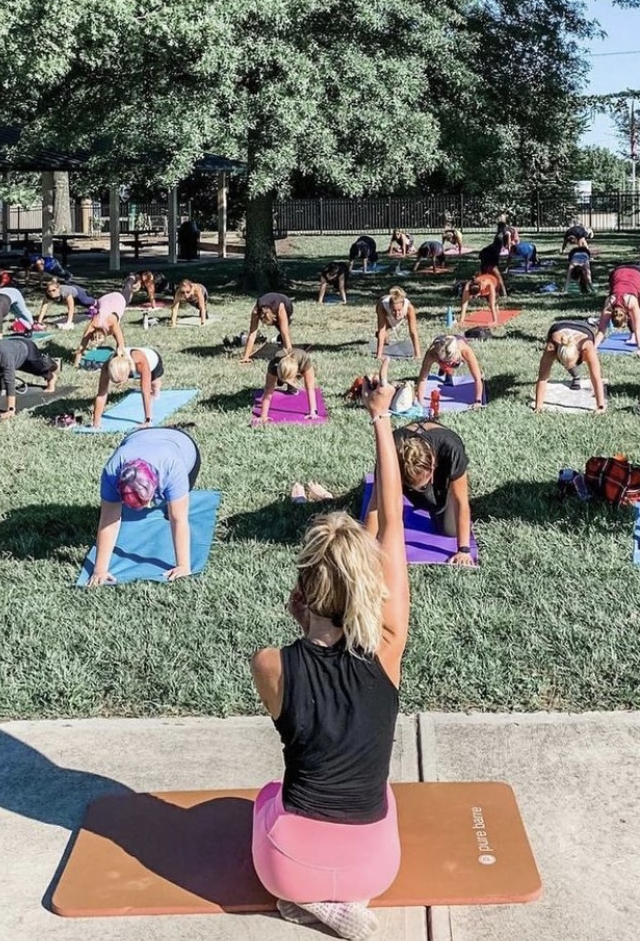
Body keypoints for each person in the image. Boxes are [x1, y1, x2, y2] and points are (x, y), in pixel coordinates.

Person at [250, 381, 408, 936]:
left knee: (267, 796)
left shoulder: (269, 664)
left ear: (300, 593)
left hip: (285, 865)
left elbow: (308, 699)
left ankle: (304, 897)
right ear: (367, 589)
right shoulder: (388, 644)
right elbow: (392, 519)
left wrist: (303, 626)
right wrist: (380, 419)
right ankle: (343, 897)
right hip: (376, 868)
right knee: (379, 792)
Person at [88, 427, 202, 585]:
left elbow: (178, 520)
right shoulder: (112, 471)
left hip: (183, 443)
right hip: (138, 436)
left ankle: (166, 500)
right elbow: (108, 521)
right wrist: (99, 570)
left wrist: (183, 566)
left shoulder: (173, 468)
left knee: (173, 512)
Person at [363, 415, 473, 568]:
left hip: (440, 485)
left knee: (450, 530)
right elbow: (376, 504)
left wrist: (464, 549)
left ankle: (436, 503)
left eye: (422, 485)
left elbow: (461, 502)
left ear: (433, 465)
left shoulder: (451, 449)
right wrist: (364, 549)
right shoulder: (392, 450)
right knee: (385, 528)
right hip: (403, 468)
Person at [533, 319, 605, 412]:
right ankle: (576, 376)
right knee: (564, 366)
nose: (566, 367)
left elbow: (596, 378)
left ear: (579, 354)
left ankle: (576, 375)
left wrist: (600, 406)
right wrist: (538, 406)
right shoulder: (552, 347)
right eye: (564, 363)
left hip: (584, 328)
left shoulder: (587, 348)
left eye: (571, 363)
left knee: (586, 369)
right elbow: (543, 377)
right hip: (559, 326)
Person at [595, 262, 640, 354]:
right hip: (618, 271)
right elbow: (638, 330)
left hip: (638, 272)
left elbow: (601, 331)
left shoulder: (630, 302)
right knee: (638, 299)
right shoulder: (609, 302)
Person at [91, 347, 164, 429]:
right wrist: (96, 421)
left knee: (153, 385)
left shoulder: (140, 362)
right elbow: (101, 395)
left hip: (153, 362)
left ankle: (157, 387)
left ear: (128, 372)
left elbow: (145, 391)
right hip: (130, 367)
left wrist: (148, 419)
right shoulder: (107, 366)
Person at [413, 334, 485, 407]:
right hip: (441, 347)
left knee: (452, 366)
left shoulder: (465, 350)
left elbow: (477, 378)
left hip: (458, 348)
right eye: (444, 361)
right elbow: (422, 379)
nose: (449, 363)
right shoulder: (431, 354)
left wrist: (478, 401)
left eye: (451, 361)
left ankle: (447, 369)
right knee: (445, 366)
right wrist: (420, 402)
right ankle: (444, 369)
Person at [255, 349, 320, 425]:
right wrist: (263, 415)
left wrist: (313, 412)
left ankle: (291, 386)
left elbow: (310, 388)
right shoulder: (273, 365)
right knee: (276, 384)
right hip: (280, 369)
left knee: (293, 389)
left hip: (298, 363)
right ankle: (282, 381)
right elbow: (268, 389)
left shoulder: (304, 361)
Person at [71, 290, 129, 366]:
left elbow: (121, 345)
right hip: (103, 300)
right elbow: (82, 346)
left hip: (119, 299)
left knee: (128, 292)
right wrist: (76, 364)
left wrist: (119, 361)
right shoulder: (93, 324)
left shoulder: (112, 323)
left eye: (97, 339)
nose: (96, 341)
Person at [241, 293, 295, 362]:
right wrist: (246, 357)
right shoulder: (255, 311)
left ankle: (286, 347)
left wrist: (290, 355)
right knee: (281, 332)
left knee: (283, 330)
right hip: (271, 302)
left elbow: (285, 334)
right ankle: (280, 340)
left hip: (286, 303)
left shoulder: (280, 307)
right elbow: (252, 334)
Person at [374, 287, 421, 364]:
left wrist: (418, 355)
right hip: (382, 305)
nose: (397, 313)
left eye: (399, 310)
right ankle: (384, 335)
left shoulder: (409, 307)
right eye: (394, 310)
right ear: (390, 307)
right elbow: (381, 330)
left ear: (403, 307)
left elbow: (413, 332)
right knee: (383, 334)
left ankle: (384, 335)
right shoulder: (382, 306)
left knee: (386, 337)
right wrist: (379, 356)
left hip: (396, 312)